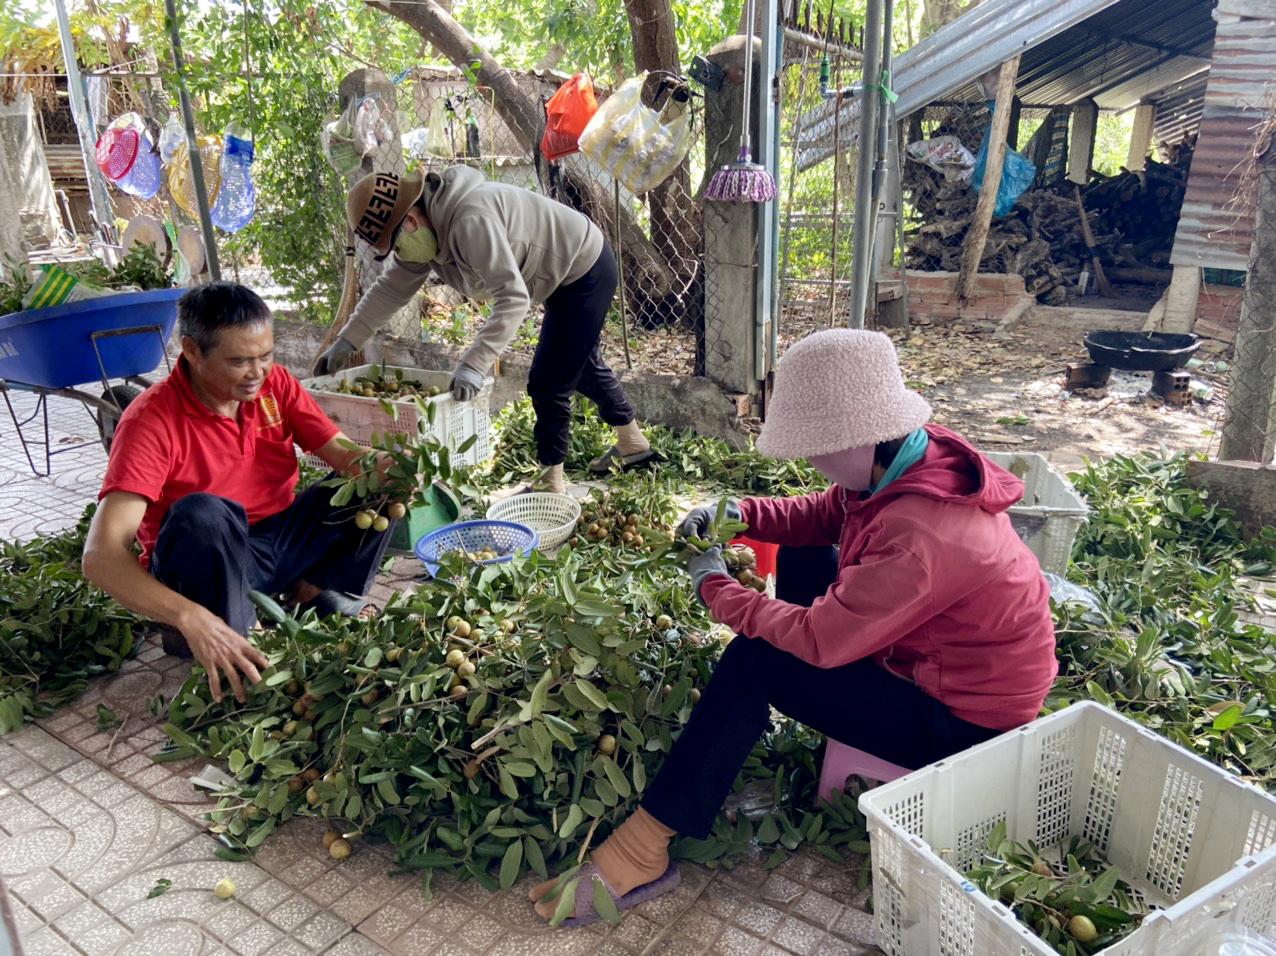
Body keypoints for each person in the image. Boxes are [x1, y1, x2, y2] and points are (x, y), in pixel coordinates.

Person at [527, 329, 1058, 924]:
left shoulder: (923, 534)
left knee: (755, 660)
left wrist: (715, 589)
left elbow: (818, 639)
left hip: (960, 724)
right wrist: (739, 514)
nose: (808, 461)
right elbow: (828, 512)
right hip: (931, 665)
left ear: (858, 438)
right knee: (805, 553)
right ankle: (775, 717)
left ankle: (645, 845)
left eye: (815, 447)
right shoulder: (907, 460)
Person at [83, 283, 403, 704]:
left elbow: (346, 458)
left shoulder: (275, 386)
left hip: (275, 542)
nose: (257, 373)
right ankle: (223, 628)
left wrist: (398, 469)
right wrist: (188, 616)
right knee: (202, 514)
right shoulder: (151, 422)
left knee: (378, 487)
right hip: (207, 561)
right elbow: (101, 557)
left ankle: (310, 593)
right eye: (238, 361)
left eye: (265, 356)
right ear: (192, 351)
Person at [313, 168, 656, 493]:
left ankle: (552, 480)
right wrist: (347, 341)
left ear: (412, 221)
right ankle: (633, 443)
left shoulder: (469, 220)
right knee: (576, 363)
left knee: (548, 381)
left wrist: (474, 364)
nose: (399, 255)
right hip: (562, 271)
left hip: (585, 267)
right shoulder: (425, 234)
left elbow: (513, 297)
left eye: (397, 245)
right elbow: (390, 290)